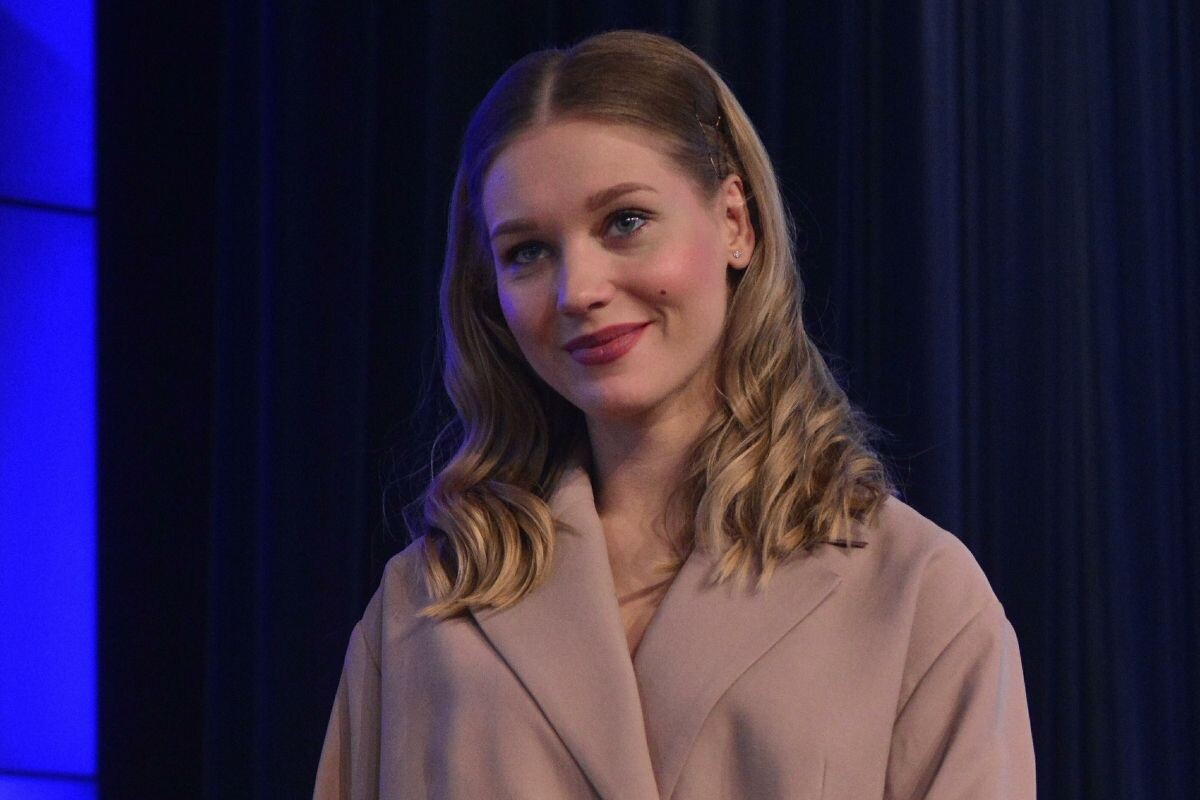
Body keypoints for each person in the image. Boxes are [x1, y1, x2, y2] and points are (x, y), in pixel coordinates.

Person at [314, 29, 1036, 800]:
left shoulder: (916, 593)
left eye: (624, 221)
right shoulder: (420, 610)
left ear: (734, 222)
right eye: (527, 251)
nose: (578, 290)